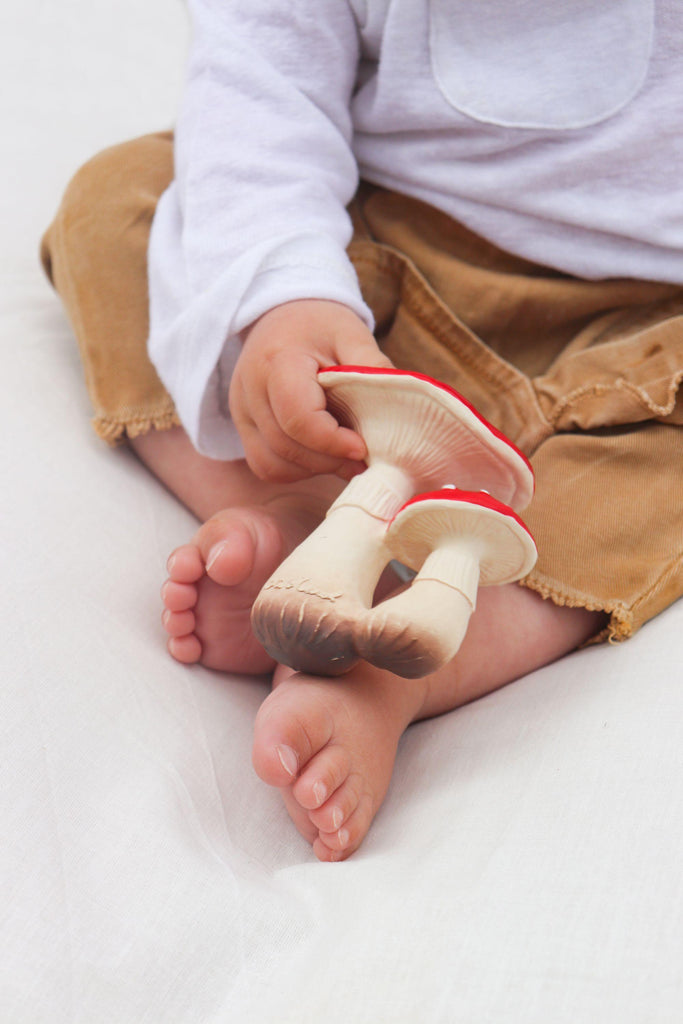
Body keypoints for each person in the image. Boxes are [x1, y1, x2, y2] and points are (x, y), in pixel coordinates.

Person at [41, 0, 683, 861]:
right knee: (119, 201)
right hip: (378, 289)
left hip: (643, 337)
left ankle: (399, 659)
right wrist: (284, 297)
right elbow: (257, 93)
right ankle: (310, 510)